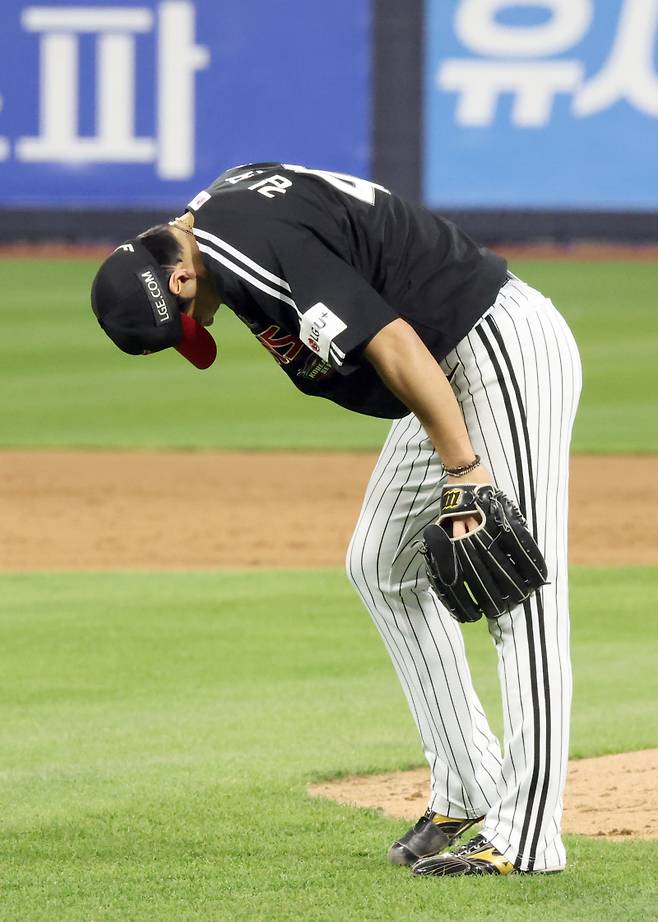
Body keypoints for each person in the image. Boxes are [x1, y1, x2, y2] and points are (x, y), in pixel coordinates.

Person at [90, 162, 581, 876]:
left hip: (490, 348)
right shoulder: (212, 224)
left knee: (518, 590)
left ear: (182, 281)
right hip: (439, 370)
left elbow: (390, 342)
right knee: (381, 565)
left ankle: (529, 834)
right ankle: (469, 780)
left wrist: (464, 472)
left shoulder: (249, 243)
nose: (202, 327)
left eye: (189, 320)